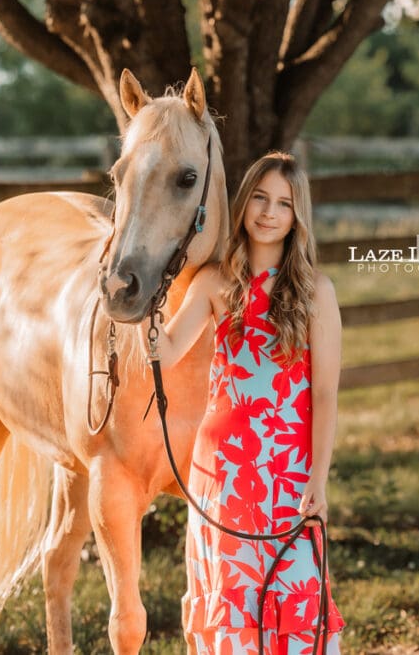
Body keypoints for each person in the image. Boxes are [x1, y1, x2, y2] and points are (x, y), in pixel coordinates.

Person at [141, 151, 346, 653]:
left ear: (298, 217)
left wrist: (317, 478)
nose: (269, 212)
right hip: (222, 472)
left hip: (288, 473)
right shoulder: (216, 282)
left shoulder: (316, 292)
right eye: (259, 197)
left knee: (295, 592)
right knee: (231, 601)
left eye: (283, 203)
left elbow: (323, 393)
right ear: (244, 202)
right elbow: (166, 351)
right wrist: (144, 305)